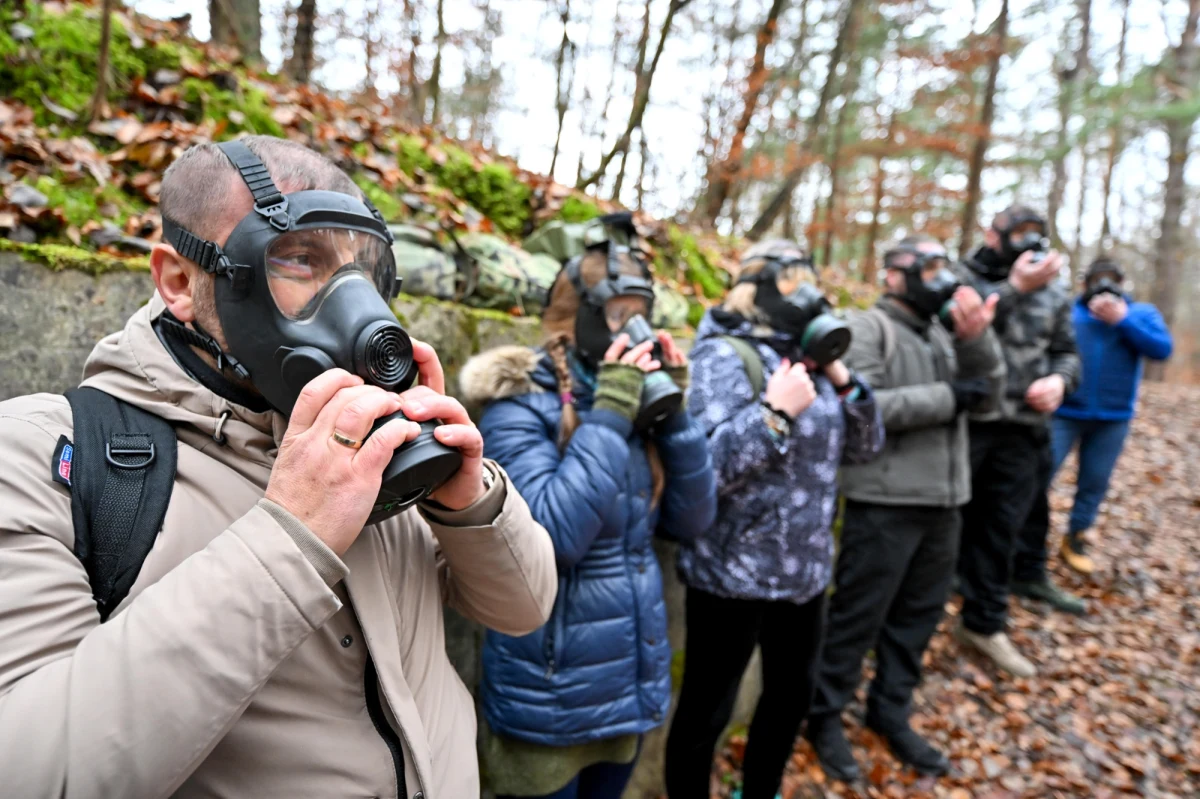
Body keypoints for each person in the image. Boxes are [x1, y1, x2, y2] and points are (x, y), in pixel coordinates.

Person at [0, 136, 558, 799]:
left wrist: (469, 502)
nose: (355, 304)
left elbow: (523, 609)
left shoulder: (372, 427)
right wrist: (290, 535)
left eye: (363, 269)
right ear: (179, 282)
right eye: (298, 258)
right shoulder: (41, 454)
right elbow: (31, 772)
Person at [460, 239, 717, 799]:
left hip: (626, 685)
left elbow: (692, 521)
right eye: (620, 315)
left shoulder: (628, 399)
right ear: (575, 320)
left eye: (643, 315)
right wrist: (611, 414)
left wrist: (673, 416)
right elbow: (551, 539)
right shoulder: (519, 407)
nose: (635, 331)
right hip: (549, 697)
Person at [664, 239, 884, 799]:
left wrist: (840, 375)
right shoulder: (725, 356)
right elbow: (703, 469)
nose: (806, 294)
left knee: (790, 699)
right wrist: (774, 413)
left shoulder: (812, 362)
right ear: (758, 289)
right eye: (793, 283)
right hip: (731, 576)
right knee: (706, 714)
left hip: (804, 574)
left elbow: (867, 446)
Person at [805, 235, 1004, 781]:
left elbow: (989, 394)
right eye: (928, 267)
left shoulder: (942, 332)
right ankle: (823, 717)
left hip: (945, 501)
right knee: (857, 618)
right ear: (894, 274)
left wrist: (977, 338)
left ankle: (890, 712)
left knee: (918, 619)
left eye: (944, 266)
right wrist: (948, 398)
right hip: (883, 502)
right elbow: (865, 406)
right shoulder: (866, 328)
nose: (941, 278)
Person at [952, 206, 1081, 677]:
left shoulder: (1055, 291)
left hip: (1023, 428)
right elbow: (956, 329)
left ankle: (983, 623)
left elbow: (1068, 353)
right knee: (945, 525)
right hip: (966, 423)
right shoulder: (961, 277)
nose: (1027, 242)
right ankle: (917, 619)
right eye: (1018, 233)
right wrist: (1014, 288)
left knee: (1001, 529)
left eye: (1035, 234)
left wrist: (1060, 383)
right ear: (993, 235)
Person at [1013, 257, 1171, 589]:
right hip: (1064, 413)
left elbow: (1161, 350)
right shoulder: (1070, 312)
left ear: (1122, 283)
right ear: (1085, 283)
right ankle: (1022, 538)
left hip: (1113, 417)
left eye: (1111, 279)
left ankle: (1076, 537)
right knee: (1039, 474)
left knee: (1094, 482)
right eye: (1097, 279)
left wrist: (1122, 321)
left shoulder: (1140, 314)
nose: (1104, 286)